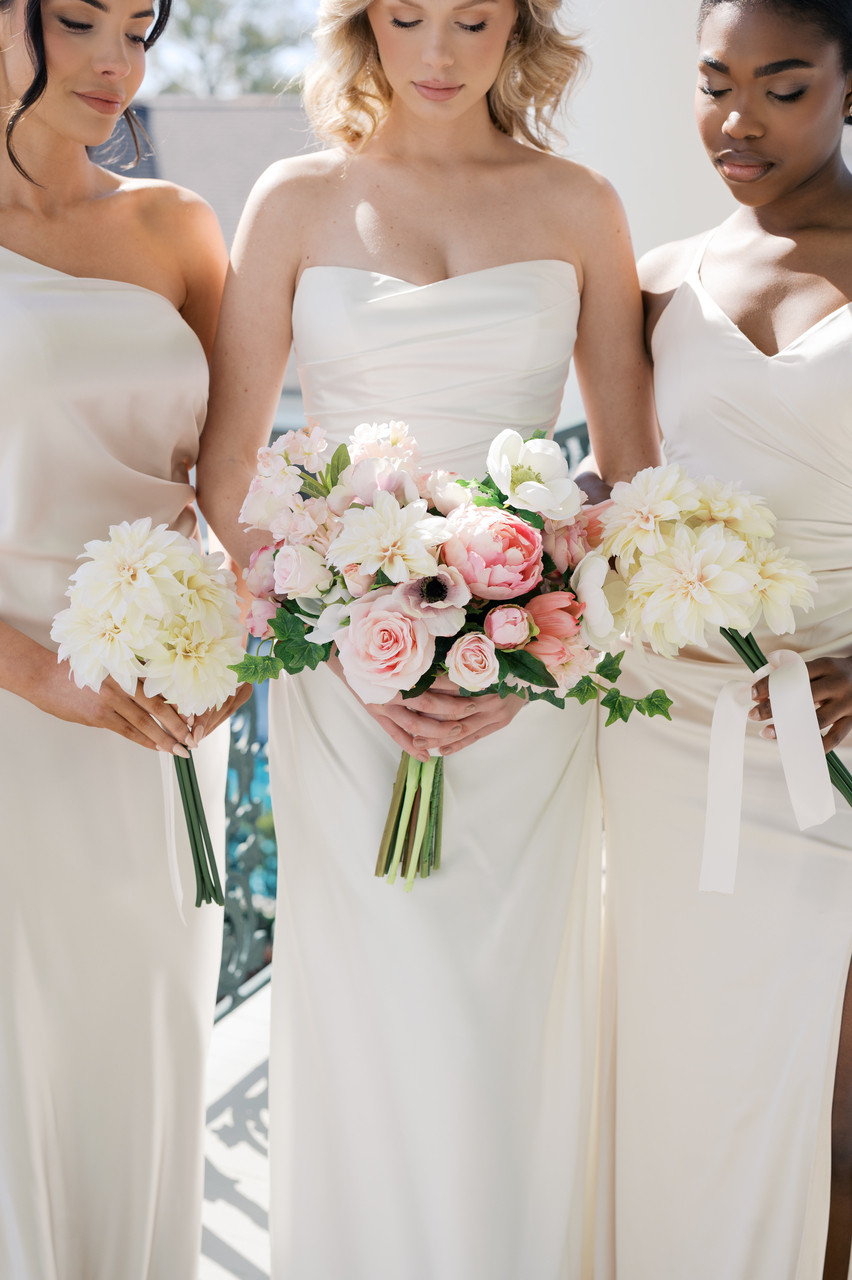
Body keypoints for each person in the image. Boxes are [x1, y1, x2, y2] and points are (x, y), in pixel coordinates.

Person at [197, 0, 659, 1273]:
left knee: (500, 1012)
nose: (441, 52)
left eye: (472, 17)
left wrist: (529, 647)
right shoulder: (294, 202)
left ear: (520, 25)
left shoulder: (579, 205)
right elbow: (230, 472)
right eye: (408, 16)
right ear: (364, 23)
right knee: (377, 1005)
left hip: (529, 691)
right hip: (345, 691)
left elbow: (629, 471)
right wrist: (344, 627)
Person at [595, 2, 852, 1276]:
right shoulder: (654, 279)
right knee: (666, 1065)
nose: (737, 119)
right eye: (714, 84)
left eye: (783, 86)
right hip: (664, 723)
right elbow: (608, 490)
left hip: (836, 742)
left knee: (820, 1100)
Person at [0, 1, 237, 1275]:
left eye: (138, 26)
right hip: (13, 708)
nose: (115, 62)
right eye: (78, 19)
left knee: (142, 1035)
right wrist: (41, 673)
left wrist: (247, 636)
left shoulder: (177, 227)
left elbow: (237, 487)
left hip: (159, 707)